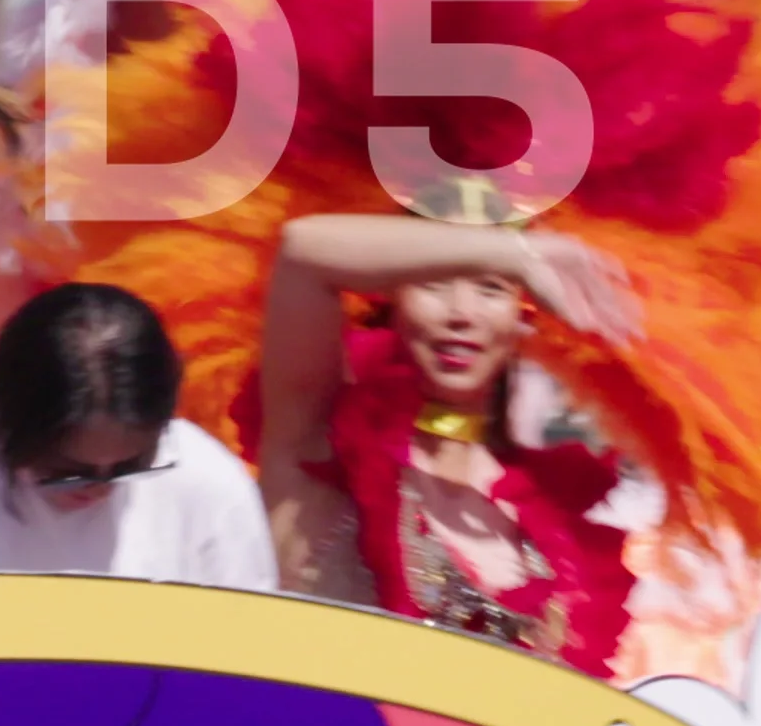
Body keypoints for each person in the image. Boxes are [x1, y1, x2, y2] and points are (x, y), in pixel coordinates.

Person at [256, 210, 642, 674]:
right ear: (391, 295)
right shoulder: (319, 439)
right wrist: (515, 255)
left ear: (522, 314)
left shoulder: (550, 517)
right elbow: (302, 249)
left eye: (491, 287)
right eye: (432, 282)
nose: (462, 314)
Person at [0, 283, 273, 589]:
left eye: (129, 468)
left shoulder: (210, 483)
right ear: (3, 421)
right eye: (68, 473)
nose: (99, 488)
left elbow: (250, 662)